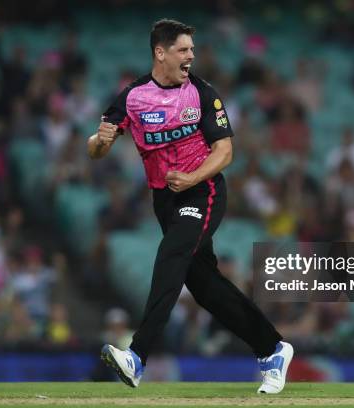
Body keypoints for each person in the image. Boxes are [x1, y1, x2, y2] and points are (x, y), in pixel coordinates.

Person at [88, 19, 293, 394]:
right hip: (165, 200)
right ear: (160, 53)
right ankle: (273, 349)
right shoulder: (133, 97)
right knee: (206, 288)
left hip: (204, 191)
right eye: (183, 50)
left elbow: (225, 151)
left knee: (172, 254)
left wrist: (193, 178)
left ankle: (137, 356)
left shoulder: (201, 93)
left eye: (192, 51)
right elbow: (97, 149)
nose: (190, 57)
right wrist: (100, 141)